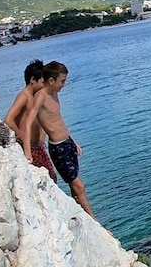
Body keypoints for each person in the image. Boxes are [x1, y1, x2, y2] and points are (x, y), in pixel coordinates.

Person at [21, 62, 96, 220]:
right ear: (51, 81)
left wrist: (73, 141)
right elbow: (27, 123)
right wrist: (28, 152)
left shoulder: (55, 94)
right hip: (58, 148)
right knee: (79, 186)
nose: (64, 84)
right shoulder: (40, 97)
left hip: (67, 143)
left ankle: (80, 217)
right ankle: (94, 222)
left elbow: (58, 120)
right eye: (62, 81)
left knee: (75, 186)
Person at [4, 60, 57, 182]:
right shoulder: (24, 96)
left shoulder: (35, 96)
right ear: (33, 79)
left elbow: (41, 118)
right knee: (47, 177)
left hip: (38, 146)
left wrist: (42, 136)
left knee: (52, 177)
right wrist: (22, 136)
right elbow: (8, 120)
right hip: (29, 147)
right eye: (42, 82)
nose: (44, 85)